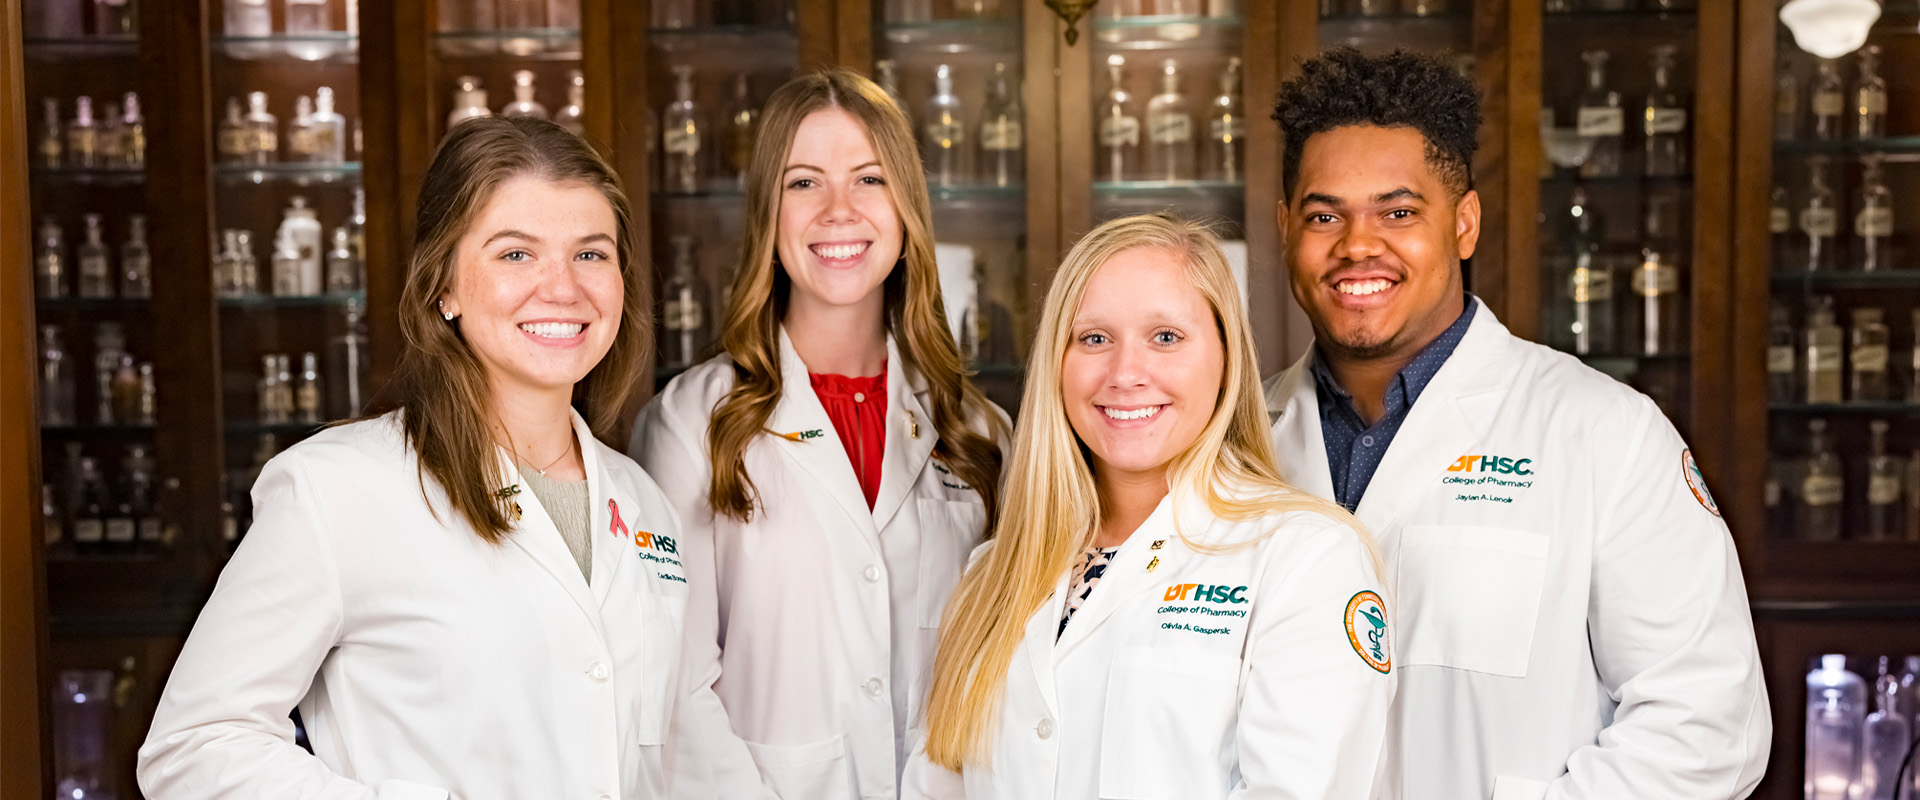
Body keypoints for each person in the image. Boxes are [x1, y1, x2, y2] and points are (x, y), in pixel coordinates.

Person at [139, 117, 700, 799]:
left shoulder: (644, 502)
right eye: (515, 254)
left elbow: (677, 747)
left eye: (591, 254)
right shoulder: (338, 489)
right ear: (444, 286)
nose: (562, 288)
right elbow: (194, 745)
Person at [1264, 48, 1769, 799]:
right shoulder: (1233, 443)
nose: (1357, 245)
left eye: (1398, 213)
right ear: (1285, 230)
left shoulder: (1608, 435)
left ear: (1464, 223)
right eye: (1323, 215)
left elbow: (1706, 727)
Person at [903, 213, 1394, 800]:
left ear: (1225, 357)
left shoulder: (1307, 560)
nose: (1125, 373)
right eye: (1093, 338)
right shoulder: (992, 573)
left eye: (1165, 336)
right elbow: (936, 785)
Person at [630, 68, 1007, 800]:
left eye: (869, 179)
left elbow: (1004, 668)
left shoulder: (978, 431)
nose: (839, 211)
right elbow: (674, 679)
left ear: (907, 207)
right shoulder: (690, 423)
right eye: (804, 183)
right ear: (768, 212)